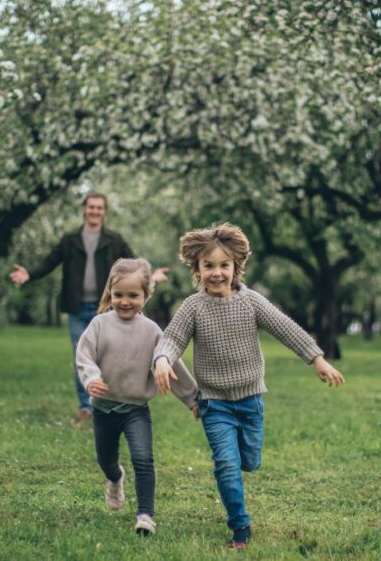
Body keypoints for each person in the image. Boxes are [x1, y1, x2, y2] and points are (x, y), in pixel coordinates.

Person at [152, 223, 345, 550]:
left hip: (251, 400)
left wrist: (317, 359)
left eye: (223, 265)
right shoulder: (193, 306)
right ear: (198, 269)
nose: (216, 273)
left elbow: (286, 328)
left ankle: (241, 469)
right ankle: (240, 528)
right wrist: (161, 359)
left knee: (250, 461)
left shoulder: (251, 301)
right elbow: (171, 338)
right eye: (208, 266)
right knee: (226, 464)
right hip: (214, 404)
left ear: (235, 267)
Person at [10, 192, 168, 421]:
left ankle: (107, 403)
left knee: (108, 356)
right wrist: (29, 274)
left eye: (99, 208)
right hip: (77, 307)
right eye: (91, 207)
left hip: (106, 308)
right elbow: (49, 262)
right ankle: (86, 407)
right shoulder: (70, 239)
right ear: (84, 209)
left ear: (104, 211)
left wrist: (151, 276)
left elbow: (134, 265)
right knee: (81, 354)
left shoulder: (114, 239)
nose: (95, 211)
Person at [75, 258, 198, 535]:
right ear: (110, 293)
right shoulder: (99, 324)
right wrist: (92, 378)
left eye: (133, 295)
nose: (125, 301)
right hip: (103, 409)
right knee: (105, 460)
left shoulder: (152, 331)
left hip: (135, 409)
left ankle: (145, 515)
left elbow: (173, 366)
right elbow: (84, 356)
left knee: (143, 459)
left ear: (145, 295)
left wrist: (192, 399)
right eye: (118, 295)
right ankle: (116, 478)